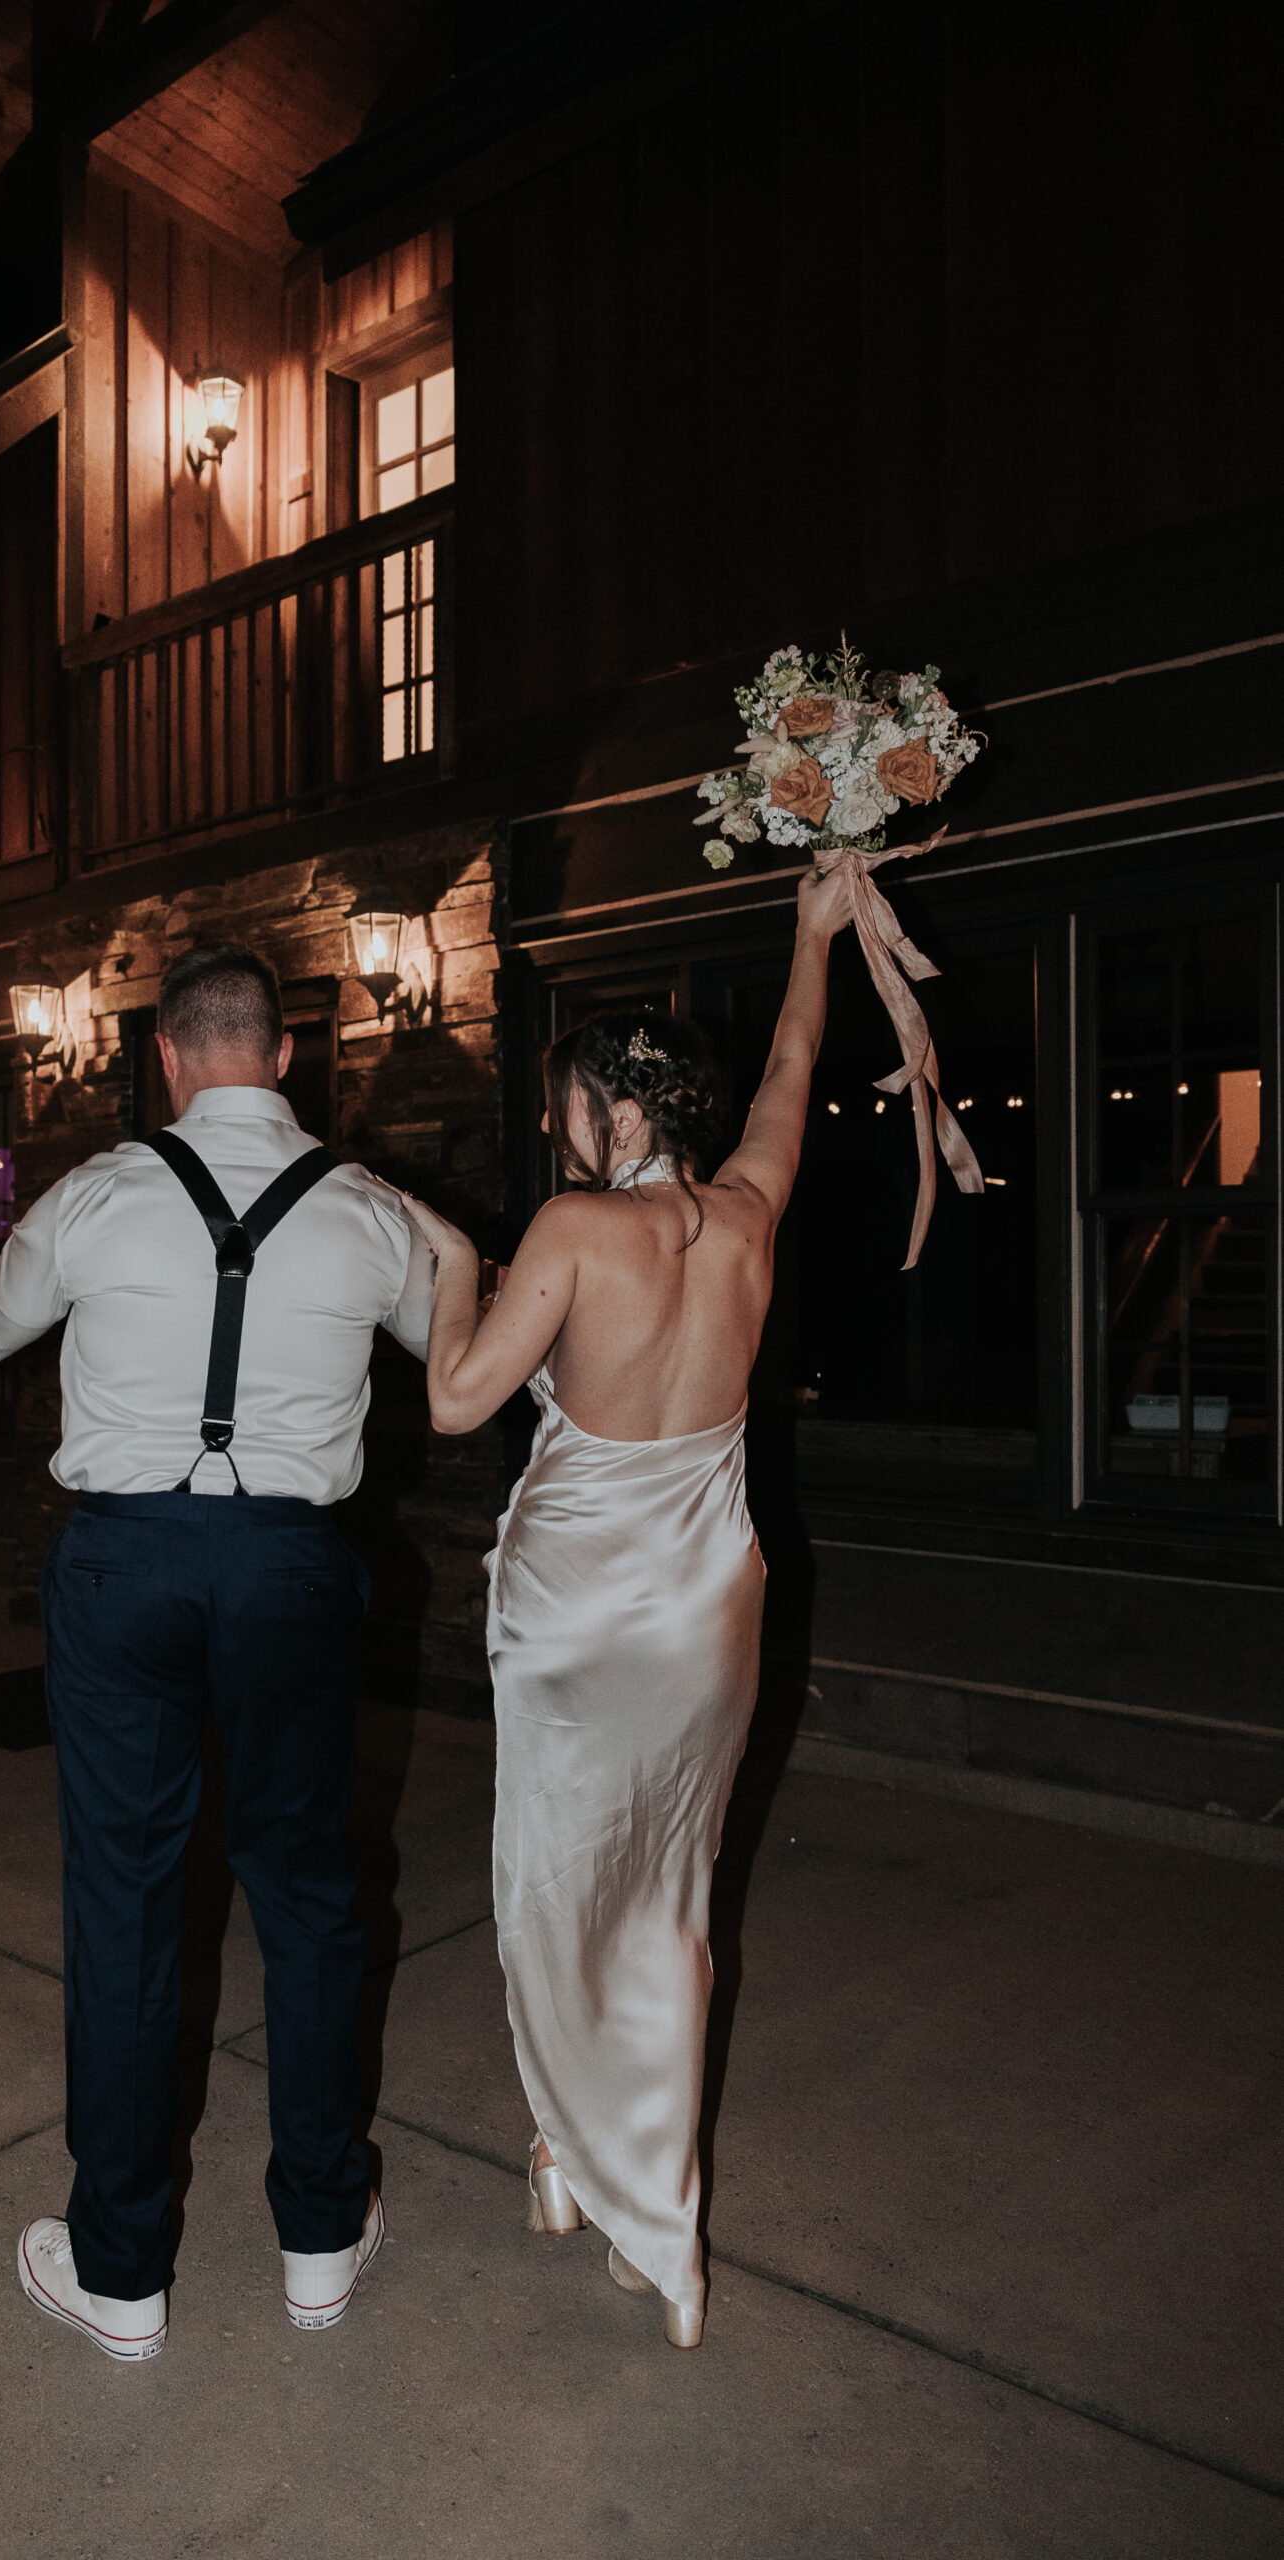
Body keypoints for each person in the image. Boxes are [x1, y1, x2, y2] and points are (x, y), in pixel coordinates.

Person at [0, 943, 433, 2363]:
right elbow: (475, 1348)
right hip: (290, 1570)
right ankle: (323, 2243)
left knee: (128, 1905)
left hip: (124, 1566)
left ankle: (122, 2276)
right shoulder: (367, 1210)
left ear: (163, 1056)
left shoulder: (94, 1196)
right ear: (284, 1058)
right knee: (310, 1892)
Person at [398, 866, 852, 2350]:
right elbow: (794, 1065)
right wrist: (812, 933)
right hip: (707, 1611)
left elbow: (461, 1401)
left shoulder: (575, 1230)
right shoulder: (750, 1209)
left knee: (554, 1891)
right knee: (668, 1896)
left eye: (562, 1109)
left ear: (614, 1112)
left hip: (579, 1618)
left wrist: (460, 1265)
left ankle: (578, 2164)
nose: (553, 1130)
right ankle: (627, 2205)